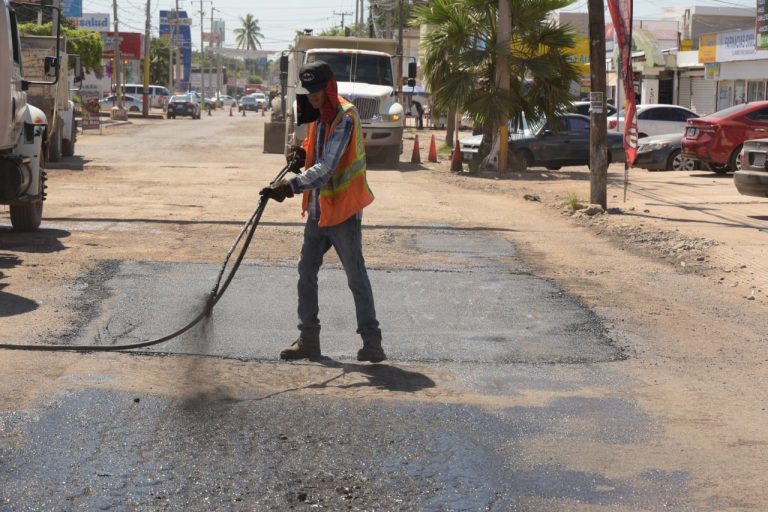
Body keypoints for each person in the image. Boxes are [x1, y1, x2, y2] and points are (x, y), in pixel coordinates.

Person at [260, 60, 386, 363]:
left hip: (342, 211)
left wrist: (290, 186)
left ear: (329, 87)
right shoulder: (313, 109)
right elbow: (311, 143)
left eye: (317, 91)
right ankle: (309, 339)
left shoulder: (346, 116)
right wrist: (299, 153)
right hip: (318, 210)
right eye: (309, 91)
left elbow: (328, 167)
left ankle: (372, 343)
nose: (313, 96)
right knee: (306, 273)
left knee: (356, 276)